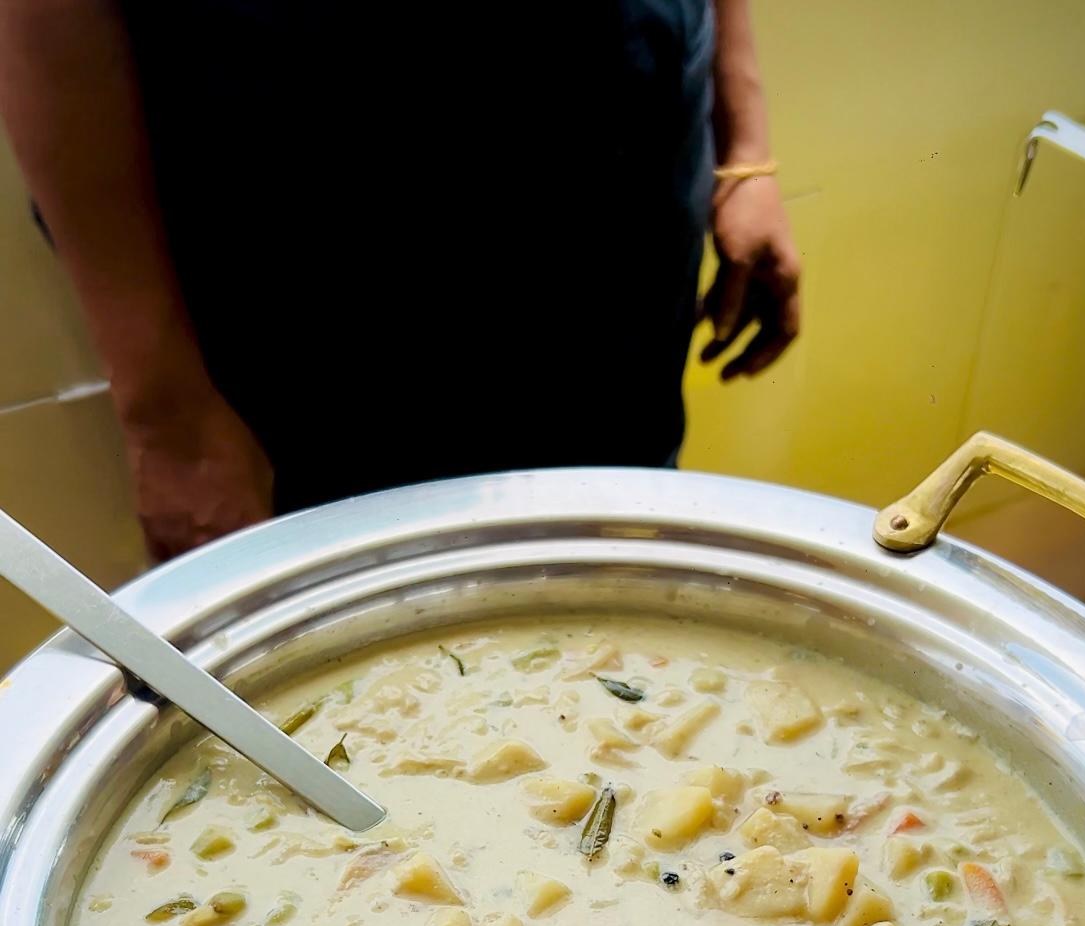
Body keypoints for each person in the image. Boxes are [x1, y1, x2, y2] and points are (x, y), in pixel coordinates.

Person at [0, 2, 801, 562]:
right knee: (324, 614)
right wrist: (166, 420)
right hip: (312, 242)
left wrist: (746, 147)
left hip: (618, 162)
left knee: (616, 554)